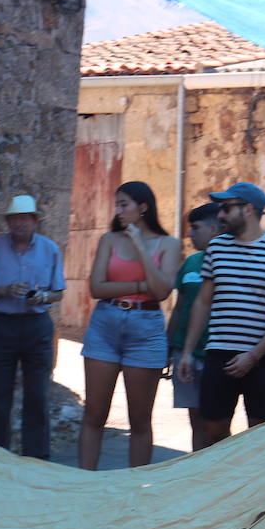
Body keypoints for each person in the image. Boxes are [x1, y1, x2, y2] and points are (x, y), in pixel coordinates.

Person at [177, 182, 265, 447]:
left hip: (262, 359)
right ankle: (225, 480)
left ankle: (252, 485)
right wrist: (188, 350)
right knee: (212, 428)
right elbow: (203, 303)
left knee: (260, 433)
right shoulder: (217, 249)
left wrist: (253, 355)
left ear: (248, 210)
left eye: (226, 208)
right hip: (219, 353)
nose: (220, 214)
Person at [79, 181, 180, 469]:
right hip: (105, 324)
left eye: (124, 204)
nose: (118, 211)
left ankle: (134, 491)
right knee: (94, 413)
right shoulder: (109, 241)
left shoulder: (168, 244)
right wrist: (139, 284)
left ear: (143, 207)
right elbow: (97, 287)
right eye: (117, 205)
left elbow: (161, 291)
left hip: (146, 328)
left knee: (140, 419)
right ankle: (84, 483)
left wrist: (139, 246)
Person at [0, 195, 65, 459]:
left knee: (38, 396)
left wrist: (43, 297)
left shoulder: (50, 249)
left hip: (37, 326)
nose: (19, 224)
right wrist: (5, 290)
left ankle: (37, 459)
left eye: (25, 219)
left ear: (35, 222)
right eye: (14, 219)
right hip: (1, 325)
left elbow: (58, 292)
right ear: (8, 222)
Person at [168, 202, 223, 451]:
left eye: (195, 228)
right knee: (196, 424)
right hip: (185, 354)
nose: (189, 234)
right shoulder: (189, 264)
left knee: (218, 427)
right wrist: (169, 349)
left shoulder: (231, 263)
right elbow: (179, 308)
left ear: (213, 229)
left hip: (217, 355)